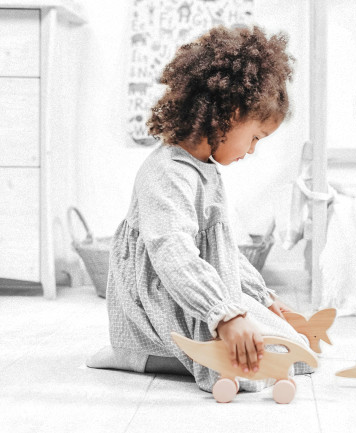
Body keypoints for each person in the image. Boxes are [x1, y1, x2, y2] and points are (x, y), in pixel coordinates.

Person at [88, 25, 311, 393]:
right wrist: (224, 315)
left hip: (205, 299)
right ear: (230, 113)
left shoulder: (205, 169)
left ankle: (180, 354)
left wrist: (264, 298)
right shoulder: (166, 173)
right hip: (166, 299)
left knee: (297, 353)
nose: (252, 150)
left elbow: (223, 252)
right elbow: (173, 254)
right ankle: (135, 354)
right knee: (251, 371)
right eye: (255, 137)